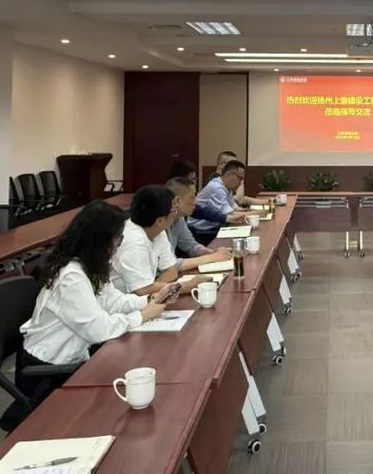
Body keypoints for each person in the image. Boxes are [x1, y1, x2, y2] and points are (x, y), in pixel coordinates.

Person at [16, 200, 170, 426]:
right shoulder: (71, 277)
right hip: (49, 368)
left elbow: (113, 301)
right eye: (117, 239)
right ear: (100, 240)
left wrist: (148, 300)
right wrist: (143, 315)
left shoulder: (92, 265)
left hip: (75, 357)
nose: (119, 245)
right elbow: (99, 330)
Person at [111, 185, 219, 295]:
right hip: (123, 302)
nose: (175, 213)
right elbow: (142, 290)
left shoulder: (157, 229)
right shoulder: (133, 242)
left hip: (144, 298)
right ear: (160, 221)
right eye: (173, 210)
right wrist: (186, 286)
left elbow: (171, 271)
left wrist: (157, 290)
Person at [164, 177, 232, 266]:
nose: (196, 202)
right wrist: (211, 258)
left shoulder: (179, 218)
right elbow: (170, 265)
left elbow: (191, 246)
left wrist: (211, 252)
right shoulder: (159, 223)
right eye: (192, 197)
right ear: (177, 201)